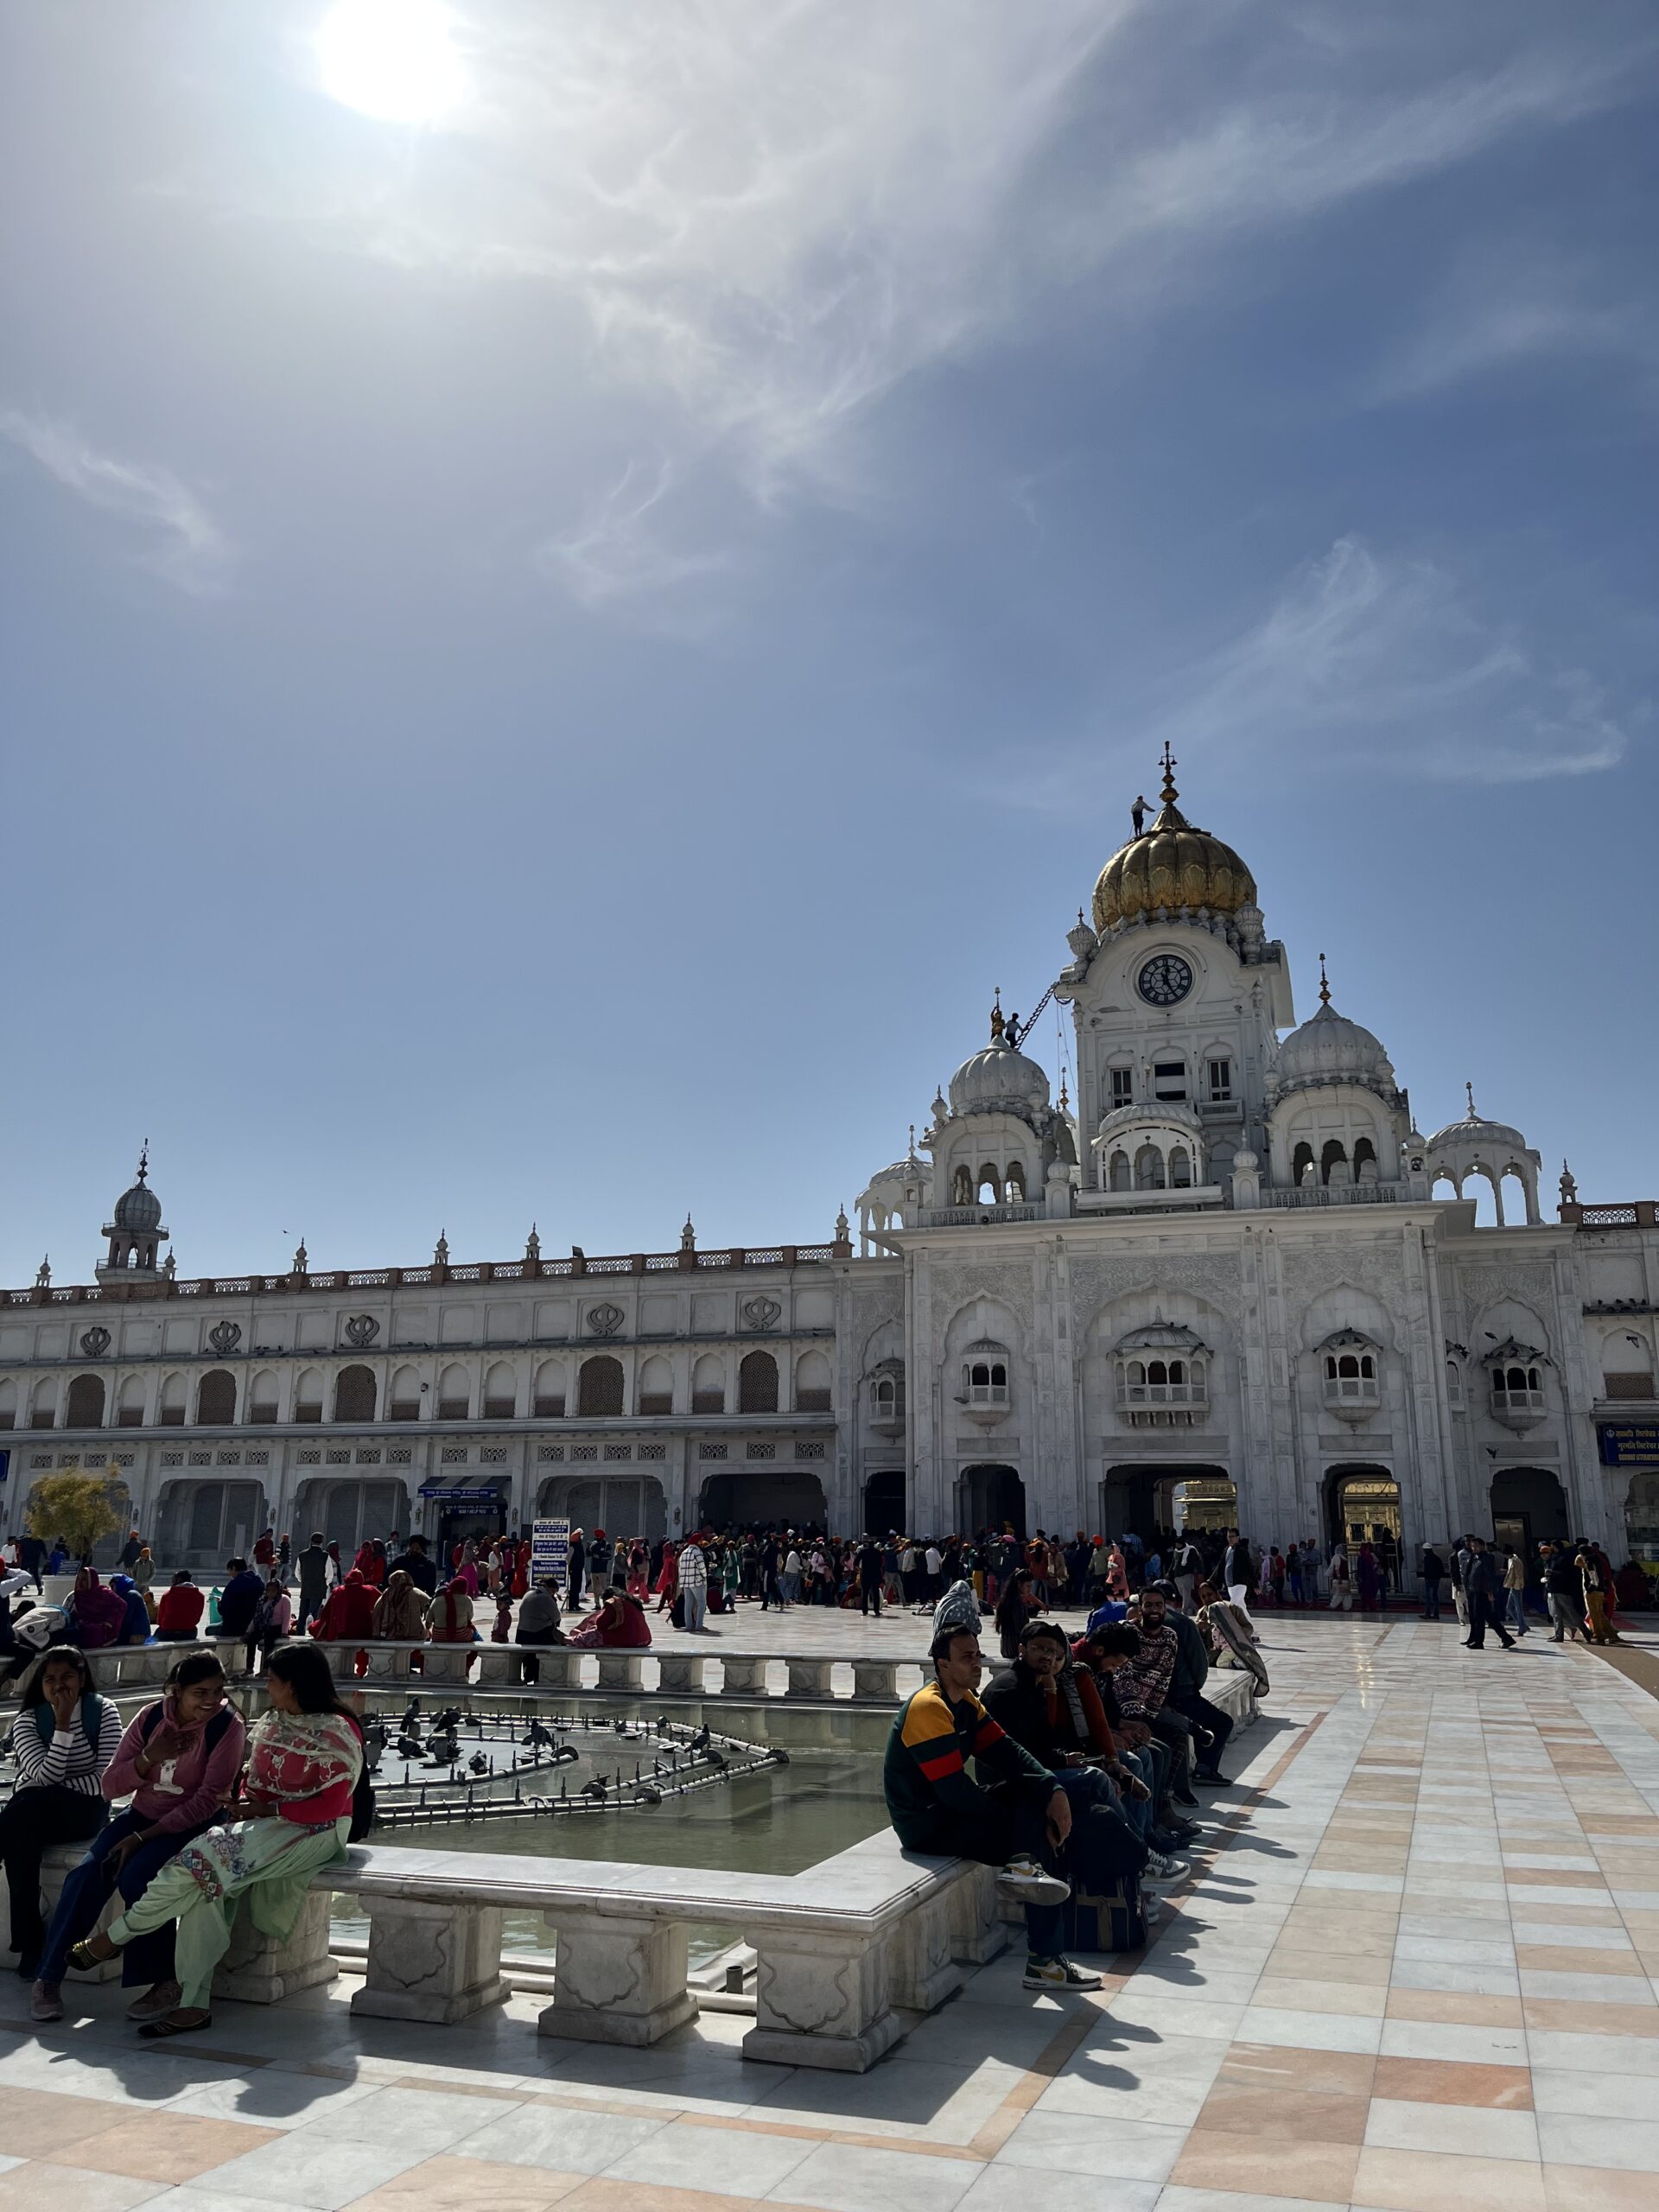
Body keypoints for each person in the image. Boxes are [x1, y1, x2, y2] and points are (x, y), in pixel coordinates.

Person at [72, 1643, 364, 2037]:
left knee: (198, 1866)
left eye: (273, 1680)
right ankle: (193, 2006)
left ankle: (114, 1938)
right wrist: (245, 1803)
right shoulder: (276, 1722)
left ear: (292, 1685)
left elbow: (329, 1806)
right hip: (266, 1824)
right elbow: (257, 1784)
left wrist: (266, 1811)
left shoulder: (336, 1730)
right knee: (201, 1883)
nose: (267, 1686)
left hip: (315, 1831)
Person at [884, 1586, 1097, 1993]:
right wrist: (1016, 1829)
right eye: (967, 1657)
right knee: (1038, 1837)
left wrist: (1053, 1789)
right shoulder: (929, 1707)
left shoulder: (967, 1702)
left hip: (950, 1813)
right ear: (942, 1663)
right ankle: (1045, 1961)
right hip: (925, 1824)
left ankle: (1043, 1950)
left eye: (978, 1655)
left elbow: (1007, 1753)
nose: (977, 1663)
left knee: (1035, 1804)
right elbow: (953, 1792)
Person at [29, 1652, 246, 2024]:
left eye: (216, 1691)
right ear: (177, 1692)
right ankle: (48, 1977)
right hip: (141, 1815)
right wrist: (148, 1758)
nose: (210, 1700)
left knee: (140, 1878)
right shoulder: (149, 1719)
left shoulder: (227, 1727)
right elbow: (110, 1786)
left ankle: (163, 1980)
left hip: (191, 1826)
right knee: (87, 1875)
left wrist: (144, 1838)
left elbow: (208, 1799)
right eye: (199, 1692)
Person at [982, 1620, 1178, 1885]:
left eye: (1053, 1652)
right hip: (1012, 1780)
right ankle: (1141, 1853)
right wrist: (1062, 1772)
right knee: (1096, 1779)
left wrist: (1072, 1758)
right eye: (1039, 1648)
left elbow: (1056, 1737)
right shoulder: (1012, 1690)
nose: (1048, 1657)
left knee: (1132, 1767)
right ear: (1021, 1649)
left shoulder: (1038, 1684)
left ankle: (1137, 1861)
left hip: (1041, 1765)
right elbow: (1020, 1755)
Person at [1, 1645, 120, 1980]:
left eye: (67, 1676)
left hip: (83, 1811)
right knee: (21, 1834)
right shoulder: (27, 1720)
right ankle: (30, 1944)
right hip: (33, 1812)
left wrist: (65, 1722)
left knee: (19, 1818)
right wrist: (61, 1726)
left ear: (82, 1678)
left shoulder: (104, 1711)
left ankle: (29, 1943)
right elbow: (43, 1775)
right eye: (50, 1679)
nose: (59, 1686)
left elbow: (103, 1780)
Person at [1463, 1538, 1515, 1651]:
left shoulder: (1487, 1558)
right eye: (1472, 1546)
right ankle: (1506, 1638)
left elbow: (1489, 1576)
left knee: (1480, 1618)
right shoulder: (1474, 1558)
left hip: (1482, 1592)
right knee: (1489, 1618)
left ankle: (1479, 1641)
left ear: (1482, 1546)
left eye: (1475, 1546)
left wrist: (1490, 1592)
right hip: (1474, 1591)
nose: (1473, 1548)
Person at [63, 1567, 128, 1650]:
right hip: (81, 1626)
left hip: (99, 1629)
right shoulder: (76, 1596)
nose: (79, 1582)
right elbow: (68, 1612)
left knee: (91, 1632)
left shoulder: (104, 1593)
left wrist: (109, 1622)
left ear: (91, 1581)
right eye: (78, 1579)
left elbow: (122, 1605)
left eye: (84, 1580)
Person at [568, 1586, 652, 1649]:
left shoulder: (614, 1602)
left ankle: (567, 1640)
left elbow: (601, 1624)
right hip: (644, 1639)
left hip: (629, 1640)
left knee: (592, 1635)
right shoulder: (631, 1603)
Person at [372, 1568, 429, 1654]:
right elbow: (429, 1606)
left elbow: (376, 1611)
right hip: (414, 1634)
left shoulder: (386, 1594)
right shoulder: (415, 1592)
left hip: (391, 1634)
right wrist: (427, 1623)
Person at [245, 1573, 292, 1675]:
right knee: (251, 1640)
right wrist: (248, 1631)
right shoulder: (263, 1600)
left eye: (273, 1591)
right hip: (263, 1626)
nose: (270, 1593)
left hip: (276, 1627)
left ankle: (266, 1668)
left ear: (279, 1590)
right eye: (268, 1590)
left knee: (269, 1641)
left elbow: (286, 1617)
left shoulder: (284, 1600)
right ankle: (249, 1667)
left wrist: (284, 1632)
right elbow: (257, 1617)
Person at [1541, 1543, 1586, 1642]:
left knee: (1571, 1614)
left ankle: (1586, 1633)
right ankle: (1559, 1635)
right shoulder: (1552, 1561)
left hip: (1561, 1591)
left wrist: (1551, 1573)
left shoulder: (1560, 1560)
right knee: (1556, 1614)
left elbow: (1564, 1575)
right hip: (1553, 1590)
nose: (1543, 1555)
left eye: (1546, 1553)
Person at [1578, 1545, 1618, 1644]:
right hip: (1600, 1591)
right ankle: (1612, 1634)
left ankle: (1600, 1637)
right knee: (1601, 1614)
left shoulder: (1589, 1562)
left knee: (1595, 1616)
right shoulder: (1598, 1560)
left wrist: (1590, 1590)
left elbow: (1593, 1578)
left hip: (1594, 1592)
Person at [216, 1558, 263, 1643]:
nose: (230, 1574)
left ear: (233, 1568)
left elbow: (224, 1609)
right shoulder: (259, 1582)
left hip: (233, 1627)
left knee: (210, 1630)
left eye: (230, 1571)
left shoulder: (234, 1584)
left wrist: (219, 1604)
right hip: (254, 1626)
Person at [155, 1571, 205, 1643]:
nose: (172, 1580)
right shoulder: (200, 1596)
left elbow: (159, 1620)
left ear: (179, 1579)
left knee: (152, 1639)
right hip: (189, 1633)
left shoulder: (167, 1595)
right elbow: (197, 1617)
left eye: (173, 1578)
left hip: (167, 1633)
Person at [296, 1533, 330, 1630]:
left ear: (311, 1540)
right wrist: (324, 1584)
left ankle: (300, 1632)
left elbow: (298, 1572)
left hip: (306, 1588)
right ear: (322, 1542)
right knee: (315, 1613)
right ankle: (313, 1632)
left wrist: (304, 1581)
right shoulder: (325, 1556)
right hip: (319, 1588)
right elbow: (329, 1574)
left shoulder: (302, 1555)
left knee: (302, 1613)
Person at [388, 1534, 438, 1599]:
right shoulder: (400, 1561)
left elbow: (431, 1587)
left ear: (422, 1549)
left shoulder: (428, 1565)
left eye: (417, 1548)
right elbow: (388, 1576)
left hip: (418, 1598)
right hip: (399, 1597)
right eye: (412, 1548)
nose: (414, 1550)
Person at [677, 1535, 709, 1632]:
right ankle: (699, 1625)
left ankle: (689, 1626)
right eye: (700, 1540)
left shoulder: (684, 1552)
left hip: (686, 1582)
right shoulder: (697, 1552)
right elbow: (702, 1566)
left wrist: (682, 1581)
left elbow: (680, 1569)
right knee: (702, 1603)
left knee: (688, 1604)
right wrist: (705, 1576)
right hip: (697, 1581)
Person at [109, 1574, 151, 1646]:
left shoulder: (131, 1595)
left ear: (120, 1584)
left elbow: (126, 1618)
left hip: (137, 1634)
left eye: (113, 1586)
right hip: (133, 1632)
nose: (111, 1590)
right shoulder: (125, 1594)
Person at [1502, 1546, 1530, 1637]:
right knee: (1509, 1608)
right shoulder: (1512, 1560)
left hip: (1516, 1586)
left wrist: (1516, 1586)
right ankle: (1522, 1625)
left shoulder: (1515, 1561)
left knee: (1518, 1608)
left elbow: (1517, 1575)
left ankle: (1522, 1627)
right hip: (1513, 1586)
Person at [1420, 1544, 1445, 1622]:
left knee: (1429, 1596)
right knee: (1434, 1596)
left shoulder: (1427, 1558)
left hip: (1430, 1579)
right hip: (1436, 1579)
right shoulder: (1437, 1558)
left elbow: (1427, 1570)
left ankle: (1428, 1613)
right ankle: (1435, 1614)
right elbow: (1441, 1570)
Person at [1328, 1545, 1354, 1612]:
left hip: (1341, 1579)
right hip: (1342, 1579)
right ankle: (1345, 1606)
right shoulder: (1341, 1558)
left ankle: (1337, 1606)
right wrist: (1339, 1577)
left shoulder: (1338, 1557)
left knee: (1342, 1594)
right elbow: (1338, 1568)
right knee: (1343, 1594)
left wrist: (1339, 1577)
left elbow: (1337, 1568)